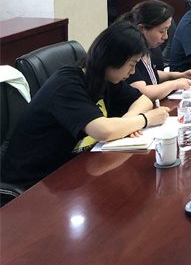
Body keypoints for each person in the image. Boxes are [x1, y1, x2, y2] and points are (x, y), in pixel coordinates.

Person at [0, 23, 171, 190]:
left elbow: (143, 100)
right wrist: (144, 120)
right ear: (113, 58)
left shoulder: (104, 76)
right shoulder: (66, 85)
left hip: (71, 171)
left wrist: (126, 124)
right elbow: (102, 131)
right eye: (132, 65)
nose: (132, 72)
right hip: (35, 183)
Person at [119, 0, 191, 102]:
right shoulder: (130, 52)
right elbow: (142, 92)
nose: (166, 36)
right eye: (162, 31)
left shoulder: (148, 46)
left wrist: (177, 75)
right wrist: (174, 84)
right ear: (141, 28)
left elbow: (149, 74)